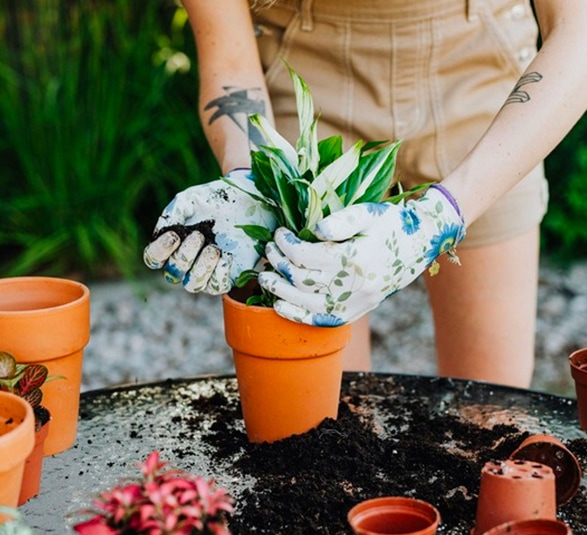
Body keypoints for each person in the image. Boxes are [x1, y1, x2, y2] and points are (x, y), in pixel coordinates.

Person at [144, 0, 587, 388]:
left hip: (484, 81)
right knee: (323, 425)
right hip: (307, 84)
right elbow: (229, 54)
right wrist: (252, 179)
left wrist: (440, 216)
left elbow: (578, 29)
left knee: (491, 410)